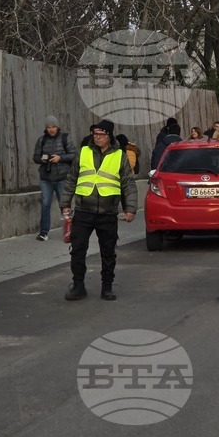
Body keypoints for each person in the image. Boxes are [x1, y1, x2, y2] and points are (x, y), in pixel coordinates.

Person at [61, 119, 138, 301]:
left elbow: (128, 184)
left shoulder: (120, 156)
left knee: (108, 252)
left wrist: (131, 209)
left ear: (109, 136)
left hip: (108, 212)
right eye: (95, 134)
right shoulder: (84, 152)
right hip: (83, 211)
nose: (97, 137)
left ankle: (107, 287)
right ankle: (78, 285)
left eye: (101, 135)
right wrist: (65, 203)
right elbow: (72, 179)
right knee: (77, 250)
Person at [33, 116, 77, 241]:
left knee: (65, 205)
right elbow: (35, 157)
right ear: (45, 128)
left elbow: (74, 155)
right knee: (45, 204)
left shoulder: (65, 138)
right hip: (46, 178)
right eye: (48, 127)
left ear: (57, 127)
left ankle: (70, 231)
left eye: (53, 127)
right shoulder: (41, 140)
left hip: (63, 177)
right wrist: (41, 159)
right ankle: (43, 232)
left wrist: (60, 158)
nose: (51, 129)